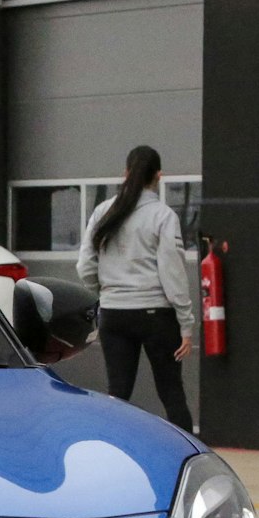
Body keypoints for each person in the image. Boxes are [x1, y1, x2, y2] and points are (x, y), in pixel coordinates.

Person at [77, 144, 195, 431]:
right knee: (171, 391)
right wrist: (186, 324)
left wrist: (105, 292)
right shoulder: (163, 216)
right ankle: (190, 455)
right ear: (159, 176)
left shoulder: (103, 212)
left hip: (114, 313)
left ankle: (111, 450)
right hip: (156, 315)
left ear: (126, 173)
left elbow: (85, 267)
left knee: (117, 393)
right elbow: (173, 273)